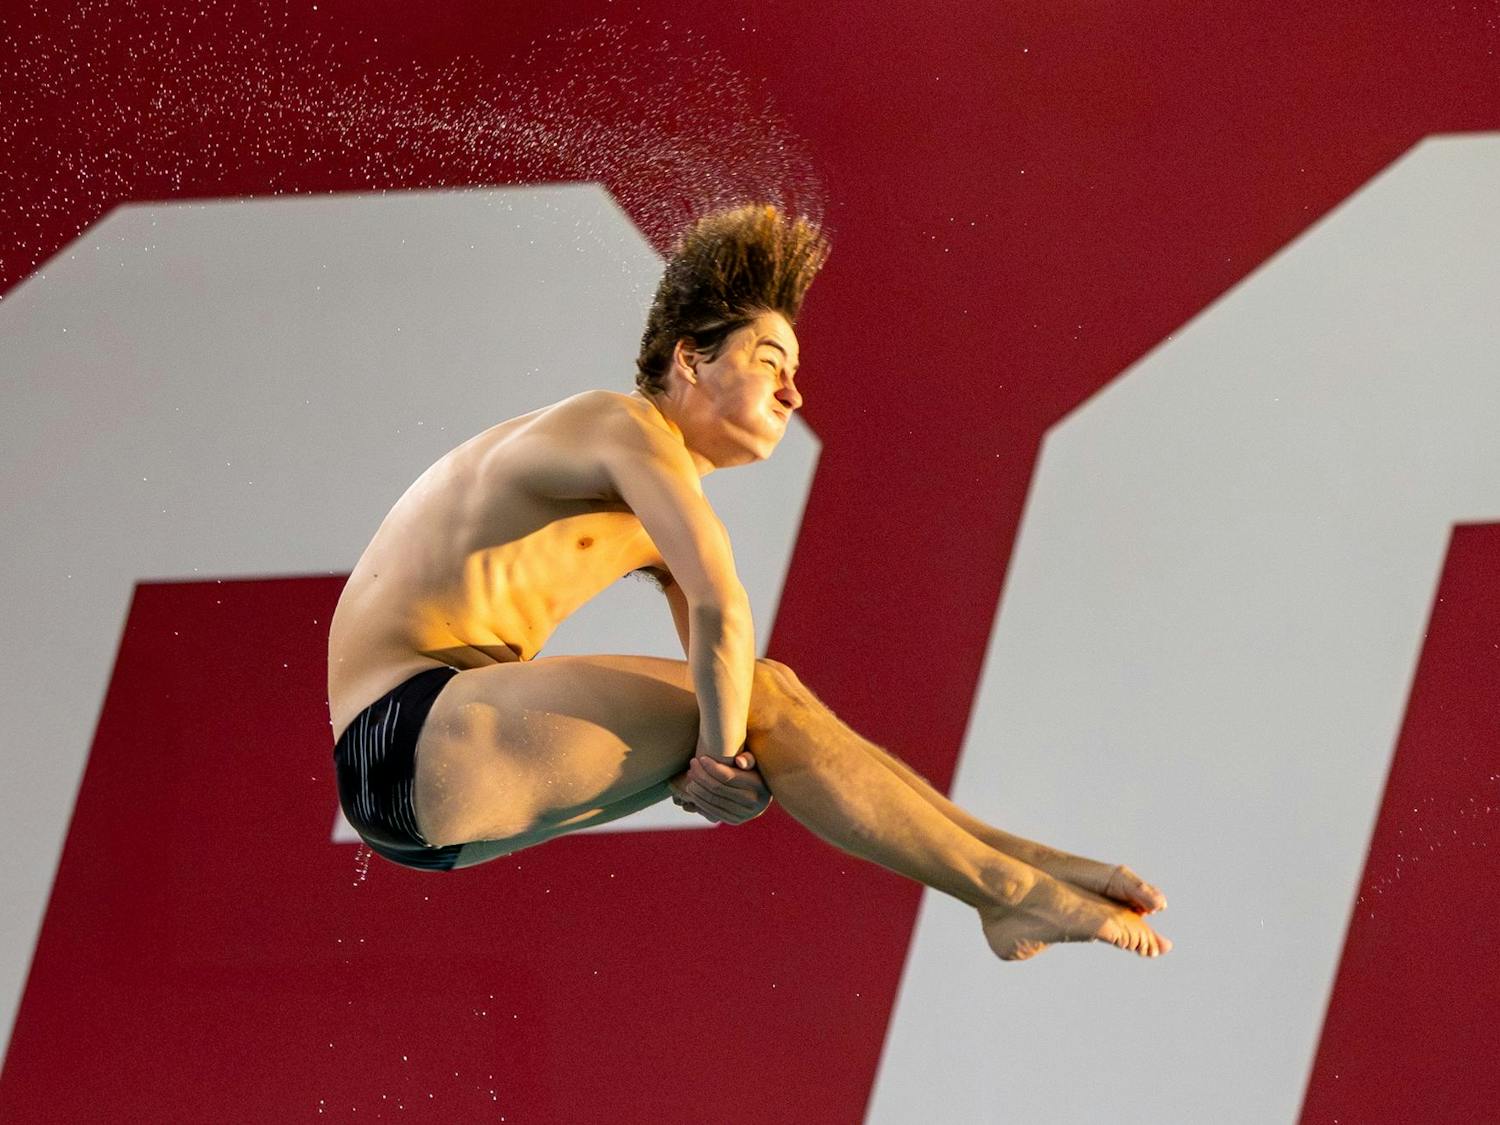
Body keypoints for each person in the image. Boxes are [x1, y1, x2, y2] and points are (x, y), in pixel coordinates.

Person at [327, 203, 1172, 962]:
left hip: (429, 792)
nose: (794, 391)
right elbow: (721, 612)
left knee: (771, 699)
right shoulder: (617, 425)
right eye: (771, 361)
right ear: (691, 358)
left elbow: (733, 686)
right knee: (762, 697)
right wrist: (719, 762)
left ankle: (1030, 869)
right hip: (407, 729)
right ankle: (1007, 891)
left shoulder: (650, 503)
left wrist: (720, 760)